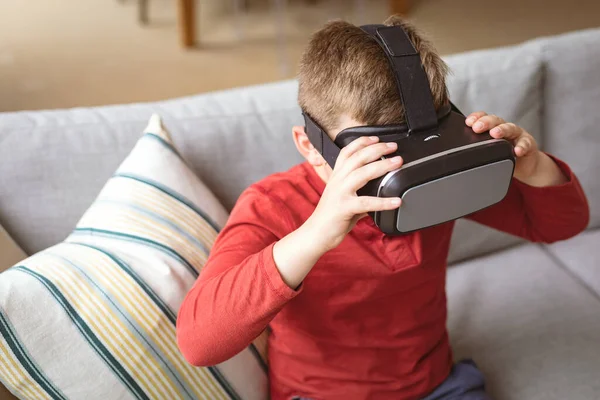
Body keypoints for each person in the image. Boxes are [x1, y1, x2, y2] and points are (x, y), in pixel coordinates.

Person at [176, 15, 590, 400]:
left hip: (437, 386)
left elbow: (558, 227)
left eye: (410, 156)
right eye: (374, 159)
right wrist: (316, 234)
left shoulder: (437, 180)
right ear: (310, 147)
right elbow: (199, 343)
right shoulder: (274, 206)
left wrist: (533, 168)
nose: (399, 177)